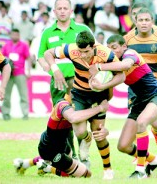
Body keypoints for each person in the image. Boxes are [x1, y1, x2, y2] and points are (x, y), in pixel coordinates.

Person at [44, 30, 125, 180]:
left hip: (99, 95)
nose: (83, 55)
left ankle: (108, 169)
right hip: (80, 93)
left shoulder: (106, 54)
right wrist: (55, 69)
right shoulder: (71, 49)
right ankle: (86, 140)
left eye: (86, 51)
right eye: (80, 52)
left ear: (93, 46)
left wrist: (103, 86)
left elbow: (121, 75)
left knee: (99, 134)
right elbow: (48, 53)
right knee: (80, 132)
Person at [89, 34, 157, 179]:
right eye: (109, 49)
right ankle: (155, 160)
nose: (113, 52)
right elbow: (113, 87)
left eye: (115, 48)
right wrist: (100, 86)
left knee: (142, 122)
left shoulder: (131, 54)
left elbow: (125, 65)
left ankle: (140, 170)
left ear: (124, 47)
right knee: (123, 146)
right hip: (139, 101)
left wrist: (98, 67)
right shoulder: (113, 65)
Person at [37, 0, 93, 161]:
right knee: (63, 119)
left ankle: (84, 153)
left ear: (71, 11)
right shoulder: (47, 32)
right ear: (54, 12)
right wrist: (51, 69)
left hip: (79, 80)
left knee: (80, 116)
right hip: (58, 82)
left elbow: (93, 51)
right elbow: (41, 56)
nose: (62, 11)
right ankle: (72, 155)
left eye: (65, 8)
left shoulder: (82, 29)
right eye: (59, 9)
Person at [124, 7, 157, 152]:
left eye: (147, 20)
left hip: (156, 84)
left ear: (152, 21)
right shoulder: (127, 39)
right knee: (138, 120)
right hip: (135, 85)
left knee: (156, 122)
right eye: (140, 20)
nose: (143, 23)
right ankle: (141, 156)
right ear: (135, 21)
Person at [13, 96, 110, 178]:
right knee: (86, 174)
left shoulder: (79, 104)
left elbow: (93, 123)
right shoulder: (62, 104)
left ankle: (25, 163)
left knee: (67, 165)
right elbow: (73, 117)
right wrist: (100, 108)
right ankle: (47, 168)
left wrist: (104, 131)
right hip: (50, 148)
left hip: (63, 144)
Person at [1, 28, 31, 120]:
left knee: (23, 94)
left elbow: (28, 58)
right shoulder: (6, 45)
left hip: (20, 72)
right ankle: (6, 114)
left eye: (16, 35)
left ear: (19, 35)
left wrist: (28, 70)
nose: (15, 36)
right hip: (8, 73)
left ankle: (25, 114)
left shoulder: (24, 45)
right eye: (13, 34)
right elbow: (1, 58)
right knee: (6, 95)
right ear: (10, 35)